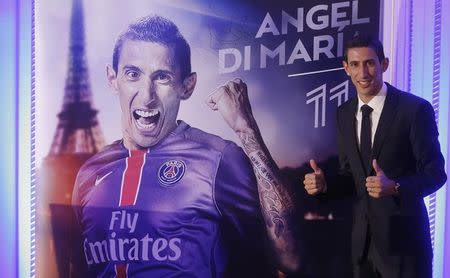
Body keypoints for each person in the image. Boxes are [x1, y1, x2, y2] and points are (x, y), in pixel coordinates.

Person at [72, 15, 298, 277]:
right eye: (133, 74)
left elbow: (291, 258)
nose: (147, 96)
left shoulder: (219, 160)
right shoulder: (89, 173)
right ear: (113, 79)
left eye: (162, 78)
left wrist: (246, 130)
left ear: (187, 86)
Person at [303, 35, 446, 278]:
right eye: (355, 65)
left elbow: (435, 174)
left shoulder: (414, 110)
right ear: (345, 68)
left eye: (370, 63)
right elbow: (351, 175)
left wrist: (396, 186)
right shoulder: (344, 113)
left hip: (404, 244)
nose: (363, 72)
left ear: (384, 64)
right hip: (362, 246)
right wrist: (326, 184)